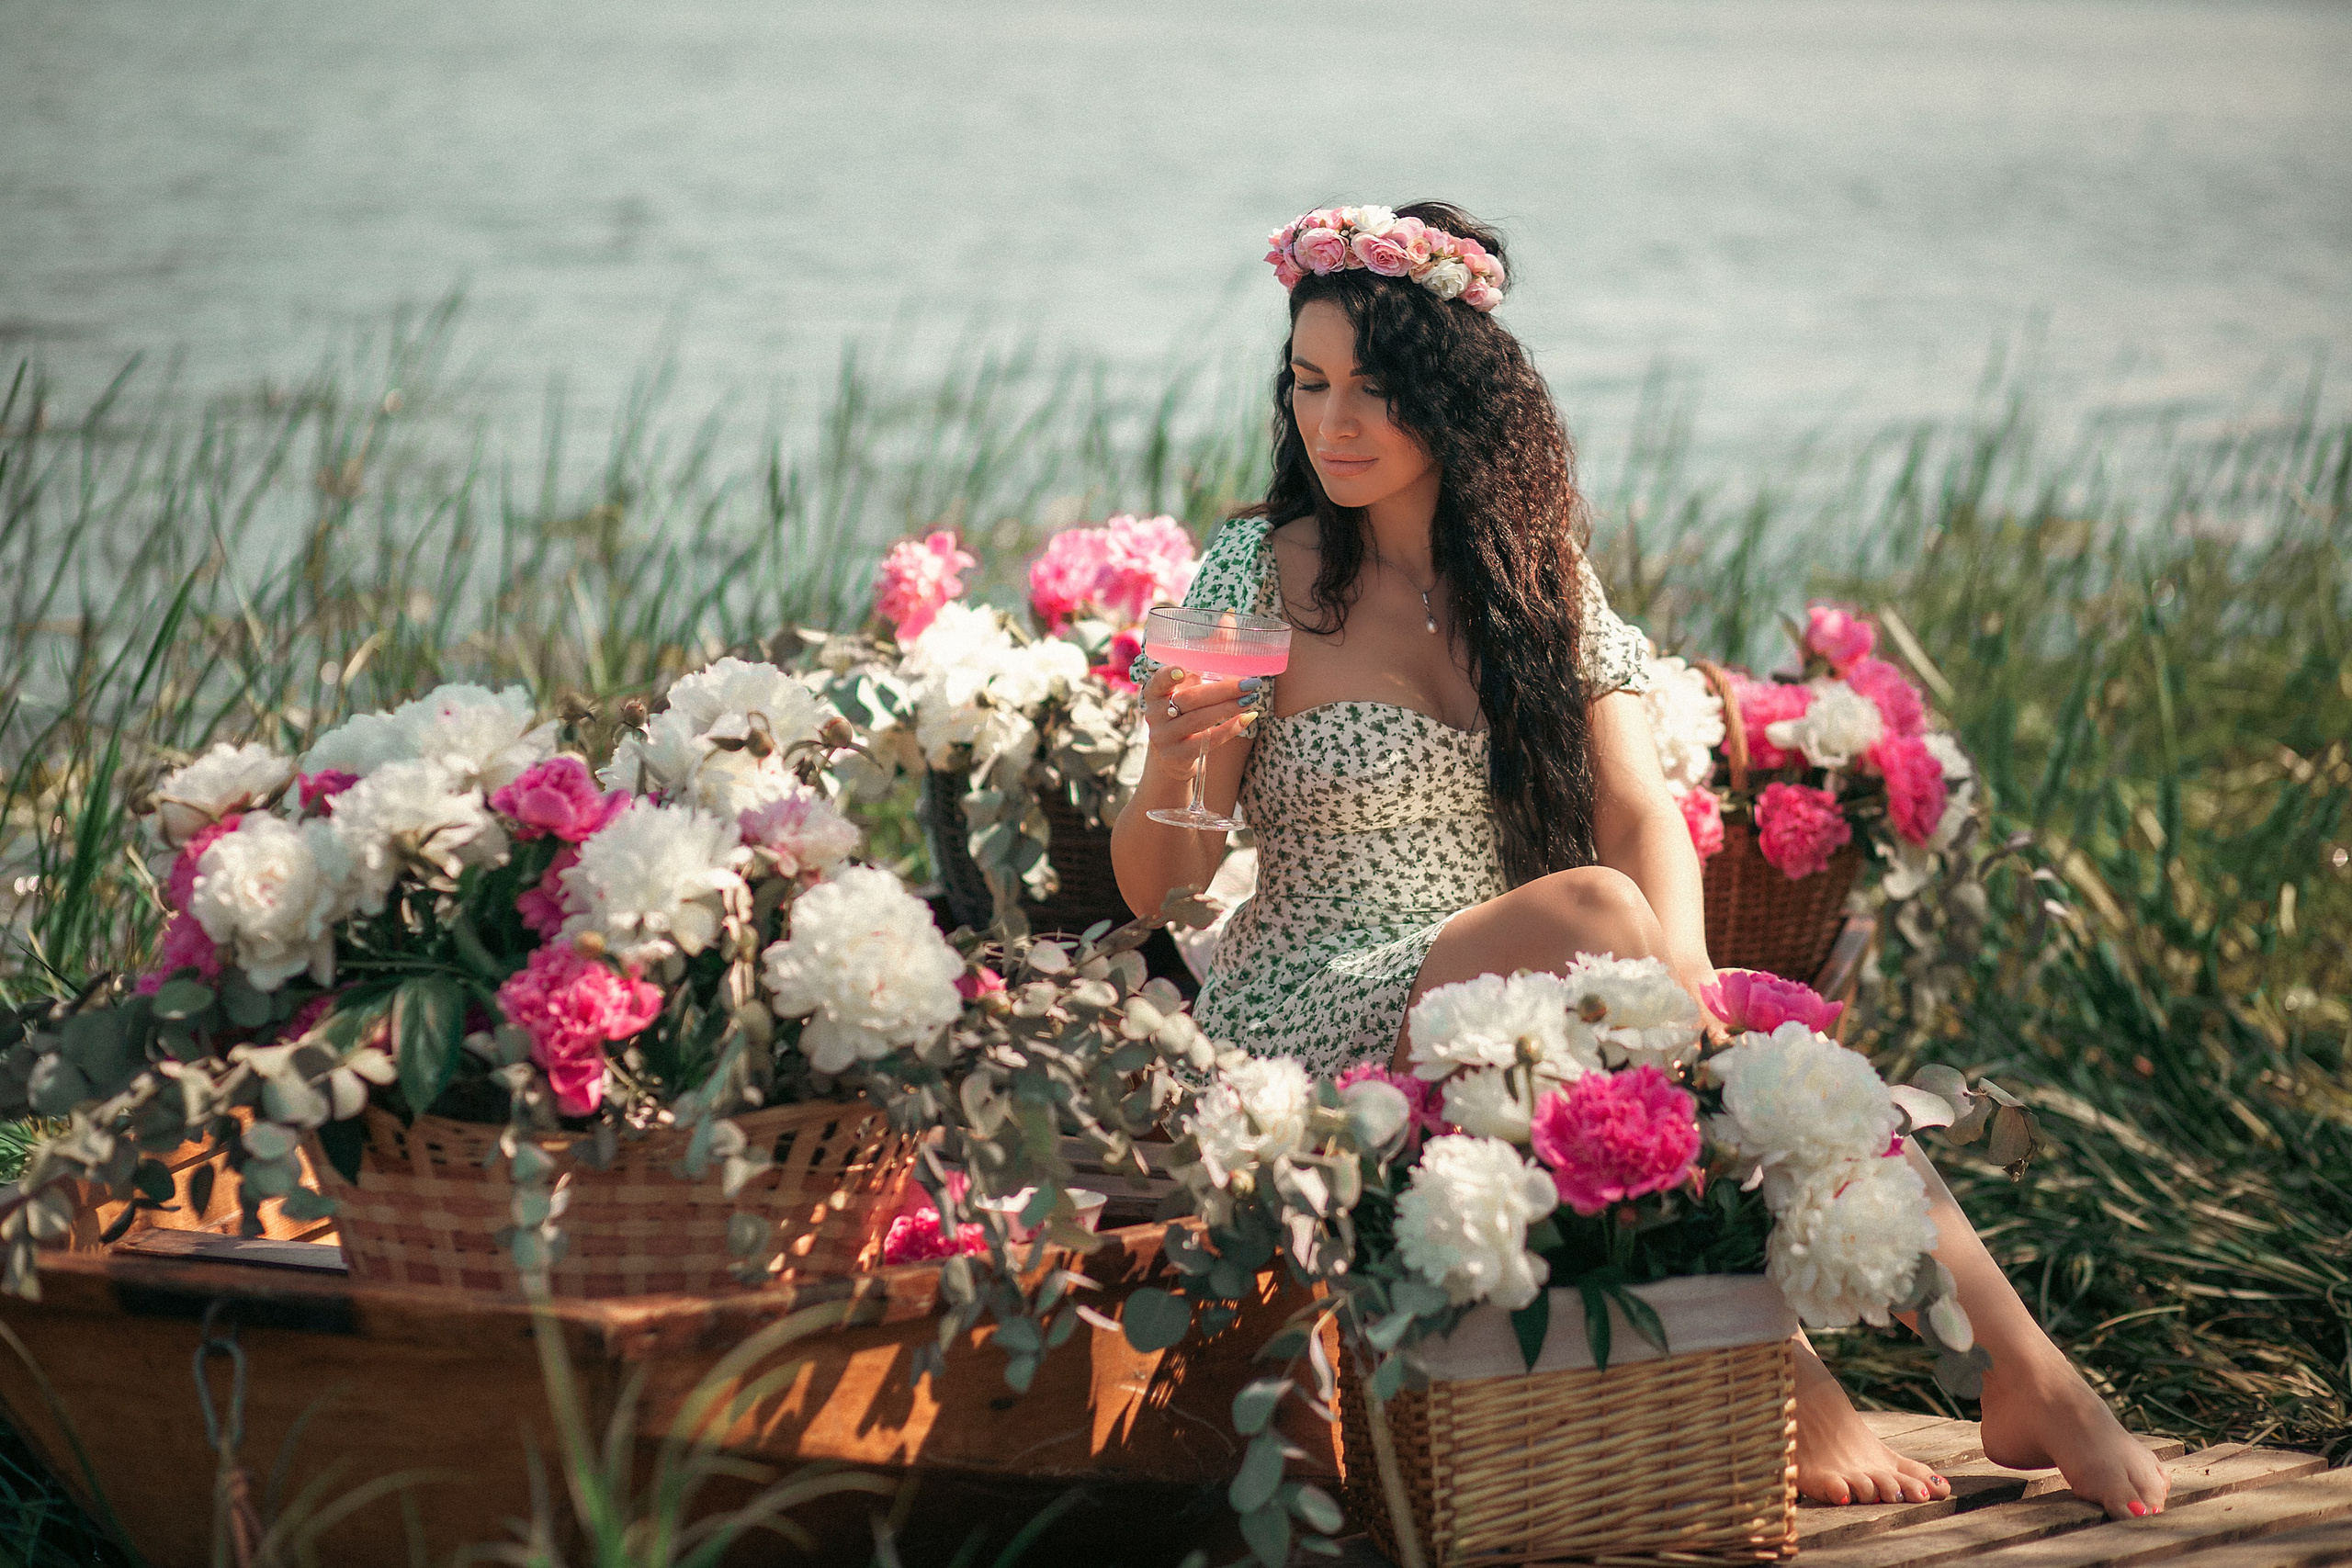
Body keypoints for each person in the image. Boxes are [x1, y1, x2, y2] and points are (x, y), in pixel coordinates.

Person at [1108, 199, 2169, 1518]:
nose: (1334, 421)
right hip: (1310, 1008)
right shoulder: (1256, 572)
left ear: (1456, 395)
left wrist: (1694, 996)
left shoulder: (1532, 571)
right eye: (1309, 382)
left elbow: (1637, 811)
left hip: (1522, 988)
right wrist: (1171, 760)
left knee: (1706, 1012)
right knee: (1614, 932)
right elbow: (1159, 892)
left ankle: (2021, 1374)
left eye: (1374, 387)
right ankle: (1827, 1373)